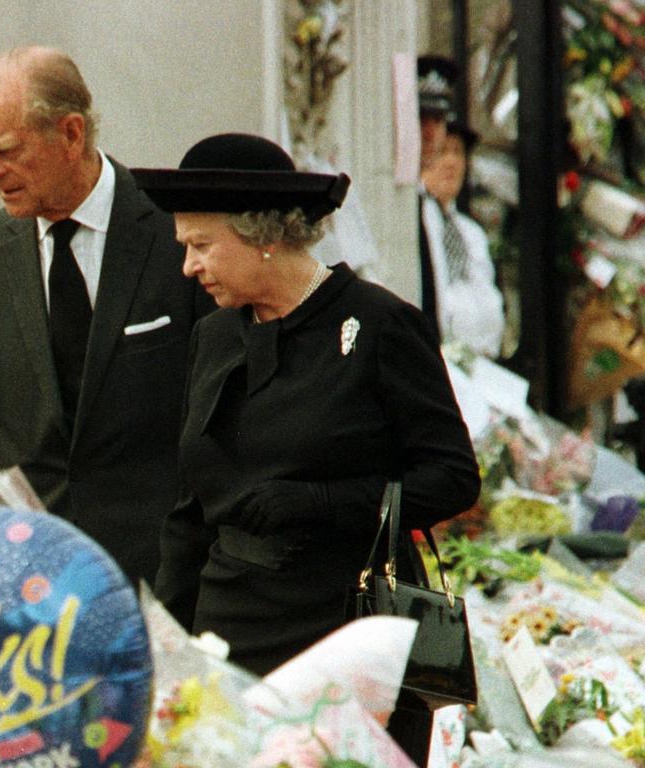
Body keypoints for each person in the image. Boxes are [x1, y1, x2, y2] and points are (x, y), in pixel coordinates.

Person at [132, 133, 481, 762]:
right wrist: (166, 648)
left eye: (201, 246)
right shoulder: (214, 338)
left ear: (264, 236)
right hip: (229, 635)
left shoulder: (379, 325)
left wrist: (321, 501)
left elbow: (454, 477)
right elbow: (190, 514)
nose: (187, 266)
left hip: (347, 634)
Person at [0, 46, 213, 586]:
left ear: (71, 134)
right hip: (23, 587)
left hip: (165, 582)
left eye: (6, 150)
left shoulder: (180, 239)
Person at [421, 119, 505, 356]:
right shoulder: (420, 220)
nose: (451, 162)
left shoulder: (472, 233)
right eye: (443, 152)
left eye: (458, 152)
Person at [416, 54, 459, 338]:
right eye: (422, 119)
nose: (430, 133)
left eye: (439, 120)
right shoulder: (411, 203)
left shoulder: (434, 207)